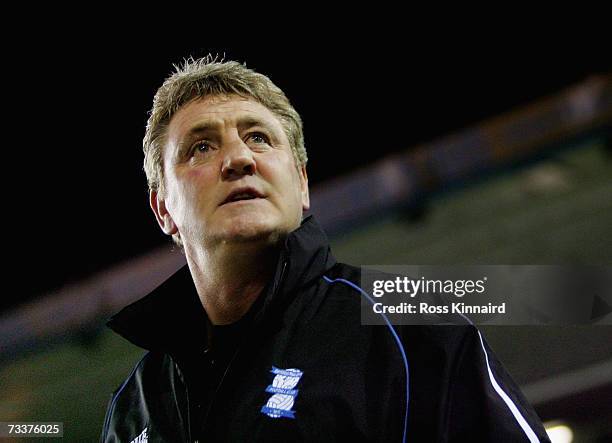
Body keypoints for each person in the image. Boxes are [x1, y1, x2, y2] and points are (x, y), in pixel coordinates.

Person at [100, 56, 550, 442]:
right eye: (201, 146)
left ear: (301, 184)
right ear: (163, 211)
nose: (239, 159)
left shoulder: (412, 329)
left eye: (259, 136)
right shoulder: (133, 408)